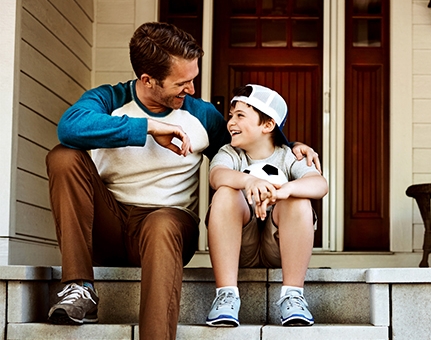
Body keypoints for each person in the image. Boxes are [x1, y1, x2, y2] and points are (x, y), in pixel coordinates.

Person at [45, 22, 319, 339]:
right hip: (107, 224)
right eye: (182, 82)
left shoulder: (202, 116)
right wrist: (146, 128)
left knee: (162, 224)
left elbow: (250, 147)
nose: (191, 89)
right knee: (63, 156)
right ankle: (79, 286)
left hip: (168, 224)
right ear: (147, 80)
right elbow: (69, 128)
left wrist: (292, 146)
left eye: (193, 79)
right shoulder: (109, 99)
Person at [205, 84, 328, 327]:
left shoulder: (289, 156)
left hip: (279, 249)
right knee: (225, 193)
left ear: (268, 125)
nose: (231, 122)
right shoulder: (230, 153)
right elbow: (217, 176)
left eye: (240, 116)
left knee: (299, 199)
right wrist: (249, 181)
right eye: (231, 116)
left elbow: (320, 184)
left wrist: (287, 190)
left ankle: (293, 295)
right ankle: (226, 295)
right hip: (241, 248)